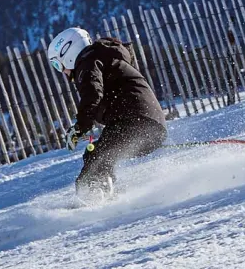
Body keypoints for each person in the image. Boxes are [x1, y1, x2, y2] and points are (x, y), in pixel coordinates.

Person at [47, 27, 167, 201]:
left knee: (96, 157)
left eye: (58, 64)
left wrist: (80, 127)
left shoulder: (88, 62)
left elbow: (92, 94)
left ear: (69, 53)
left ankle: (93, 196)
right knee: (98, 154)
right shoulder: (104, 56)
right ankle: (108, 194)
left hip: (134, 121)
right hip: (151, 125)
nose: (62, 72)